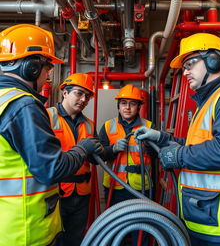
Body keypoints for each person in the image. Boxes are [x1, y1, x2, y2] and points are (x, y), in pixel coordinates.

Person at [134, 33, 220, 246]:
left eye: (190, 63)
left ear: (213, 60)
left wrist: (178, 155)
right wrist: (163, 138)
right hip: (208, 217)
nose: (186, 72)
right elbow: (198, 146)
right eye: (184, 67)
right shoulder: (210, 101)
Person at [0, 24, 103, 246]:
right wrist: (83, 149)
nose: (48, 76)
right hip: (25, 228)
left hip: (10, 223)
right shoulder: (24, 106)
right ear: (31, 67)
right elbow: (51, 168)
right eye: (47, 67)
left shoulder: (4, 100)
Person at [99, 84, 156, 246]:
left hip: (141, 187)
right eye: (124, 103)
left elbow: (157, 155)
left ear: (139, 106)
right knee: (116, 227)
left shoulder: (149, 127)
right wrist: (113, 149)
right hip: (114, 187)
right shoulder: (108, 126)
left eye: (132, 103)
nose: (128, 107)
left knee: (142, 227)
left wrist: (147, 145)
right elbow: (100, 154)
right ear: (118, 105)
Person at [47, 73, 98, 246]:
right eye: (79, 93)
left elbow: (95, 158)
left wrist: (106, 151)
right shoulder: (46, 117)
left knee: (76, 239)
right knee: (54, 239)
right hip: (55, 193)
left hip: (82, 194)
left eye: (87, 96)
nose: (83, 99)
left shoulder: (90, 124)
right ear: (65, 93)